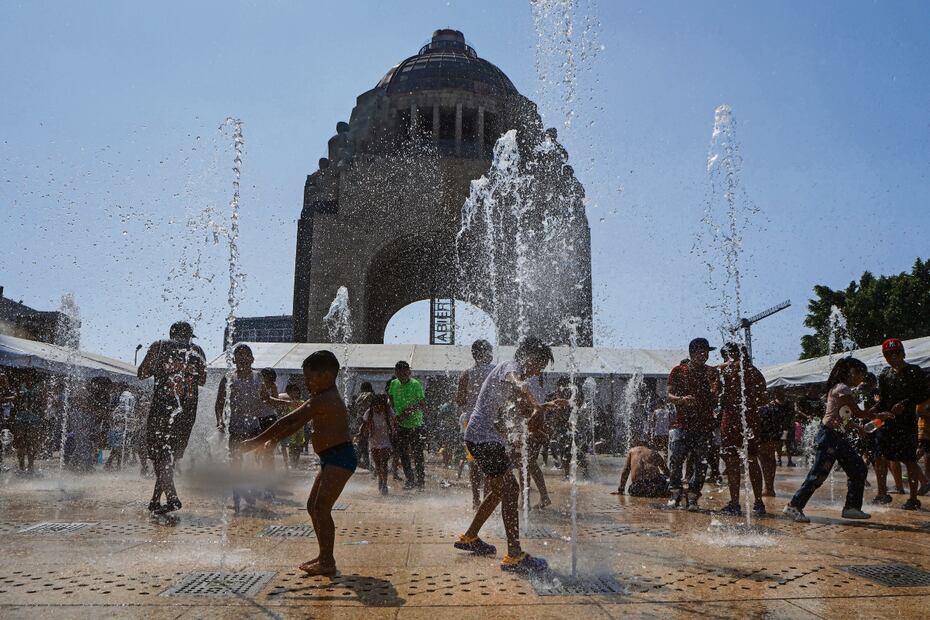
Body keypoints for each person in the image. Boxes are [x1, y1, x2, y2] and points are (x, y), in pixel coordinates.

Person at [454, 336, 568, 574]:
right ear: (530, 357)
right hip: (483, 438)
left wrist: (544, 407)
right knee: (511, 489)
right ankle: (514, 555)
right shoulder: (510, 367)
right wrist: (532, 400)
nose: (539, 371)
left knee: (499, 491)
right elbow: (519, 383)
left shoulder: (512, 377)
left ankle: (470, 537)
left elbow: (523, 407)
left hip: (483, 437)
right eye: (540, 365)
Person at [240, 350, 356, 577]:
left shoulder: (325, 399)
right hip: (331, 458)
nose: (306, 383)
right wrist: (274, 439)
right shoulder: (322, 397)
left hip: (340, 457)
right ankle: (324, 556)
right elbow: (295, 425)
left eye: (310, 378)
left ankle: (327, 561)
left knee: (322, 508)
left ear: (327, 376)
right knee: (313, 506)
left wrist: (256, 441)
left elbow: (290, 420)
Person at [783, 357, 885, 522]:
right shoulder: (842, 388)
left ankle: (852, 507)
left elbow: (842, 417)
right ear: (852, 372)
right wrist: (880, 415)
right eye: (861, 374)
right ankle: (794, 506)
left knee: (858, 468)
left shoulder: (840, 389)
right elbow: (858, 413)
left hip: (838, 437)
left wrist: (857, 428)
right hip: (829, 437)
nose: (862, 379)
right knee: (819, 474)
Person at [137, 321, 207, 514]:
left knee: (160, 455)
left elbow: (141, 373)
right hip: (187, 411)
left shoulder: (159, 346)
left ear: (171, 333)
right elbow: (202, 380)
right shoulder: (198, 351)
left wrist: (163, 369)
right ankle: (155, 500)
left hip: (162, 409)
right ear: (190, 335)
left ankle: (173, 497)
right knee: (169, 456)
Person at [872, 338, 930, 509]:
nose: (893, 357)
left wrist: (905, 404)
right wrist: (872, 413)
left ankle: (913, 498)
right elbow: (883, 401)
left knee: (909, 459)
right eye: (888, 354)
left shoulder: (914, 371)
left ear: (903, 353)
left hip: (907, 424)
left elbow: (923, 395)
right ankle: (882, 494)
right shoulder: (884, 374)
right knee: (879, 457)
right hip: (887, 422)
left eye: (896, 353)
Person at [214, 344, 272, 512]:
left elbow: (267, 400)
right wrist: (220, 421)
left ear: (252, 359)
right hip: (235, 429)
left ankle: (249, 492)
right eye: (239, 355)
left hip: (254, 429)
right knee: (236, 465)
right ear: (234, 360)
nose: (242, 358)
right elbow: (219, 403)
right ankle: (237, 501)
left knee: (255, 464)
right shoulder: (228, 378)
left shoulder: (258, 377)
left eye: (246, 355)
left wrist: (286, 404)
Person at [665, 338, 718, 511]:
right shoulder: (678, 371)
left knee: (701, 465)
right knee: (676, 461)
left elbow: (716, 394)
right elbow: (669, 395)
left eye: (707, 352)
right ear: (692, 353)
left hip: (704, 426)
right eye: (701, 351)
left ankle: (693, 497)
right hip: (682, 425)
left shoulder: (711, 372)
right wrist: (681, 399)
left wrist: (714, 390)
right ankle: (675, 493)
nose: (705, 355)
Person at [715, 343, 768, 516]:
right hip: (751, 419)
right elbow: (763, 398)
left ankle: (735, 503)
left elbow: (716, 394)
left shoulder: (726, 370)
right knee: (752, 459)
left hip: (731, 420)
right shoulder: (754, 371)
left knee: (732, 462)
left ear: (728, 355)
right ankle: (758, 502)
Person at [456, 339, 495, 509]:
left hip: (471, 420)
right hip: (492, 421)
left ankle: (475, 499)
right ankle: (486, 497)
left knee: (473, 461)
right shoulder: (496, 371)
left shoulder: (466, 374)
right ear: (487, 353)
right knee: (490, 460)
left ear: (474, 354)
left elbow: (459, 400)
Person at [388, 361, 426, 490]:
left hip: (416, 425)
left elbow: (422, 403)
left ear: (409, 372)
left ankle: (420, 481)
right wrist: (394, 411)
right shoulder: (394, 383)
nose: (404, 376)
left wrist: (408, 412)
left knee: (417, 454)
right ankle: (410, 480)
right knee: (403, 454)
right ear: (396, 373)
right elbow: (390, 397)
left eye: (406, 373)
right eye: (401, 374)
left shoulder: (415, 384)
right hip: (401, 425)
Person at [355, 394, 397, 495]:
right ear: (373, 405)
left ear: (384, 405)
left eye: (380, 405)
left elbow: (395, 421)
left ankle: (385, 484)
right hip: (373, 441)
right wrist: (360, 434)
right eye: (376, 406)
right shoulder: (369, 412)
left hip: (386, 441)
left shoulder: (388, 411)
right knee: (377, 464)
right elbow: (364, 424)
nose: (378, 408)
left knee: (384, 463)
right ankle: (380, 479)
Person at [758, 388, 791, 496]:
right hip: (771, 430)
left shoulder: (770, 407)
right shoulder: (771, 406)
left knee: (765, 457)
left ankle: (768, 488)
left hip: (767, 430)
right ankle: (768, 488)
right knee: (768, 457)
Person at [350, 382, 374, 472]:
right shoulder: (370, 395)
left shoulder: (359, 397)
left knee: (363, 442)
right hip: (368, 421)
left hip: (359, 421)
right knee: (367, 442)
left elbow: (354, 410)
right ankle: (359, 460)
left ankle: (365, 462)